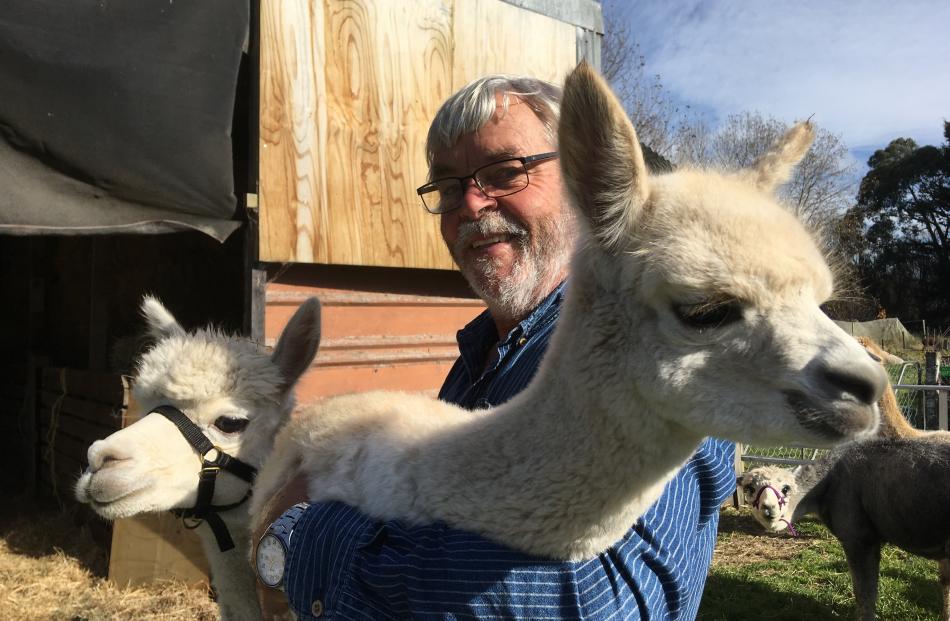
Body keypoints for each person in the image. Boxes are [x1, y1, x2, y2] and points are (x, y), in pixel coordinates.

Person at [254, 74, 736, 620]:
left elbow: (605, 600)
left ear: (584, 176)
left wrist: (302, 536)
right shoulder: (474, 360)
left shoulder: (657, 340)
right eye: (450, 187)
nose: (471, 204)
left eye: (506, 172)